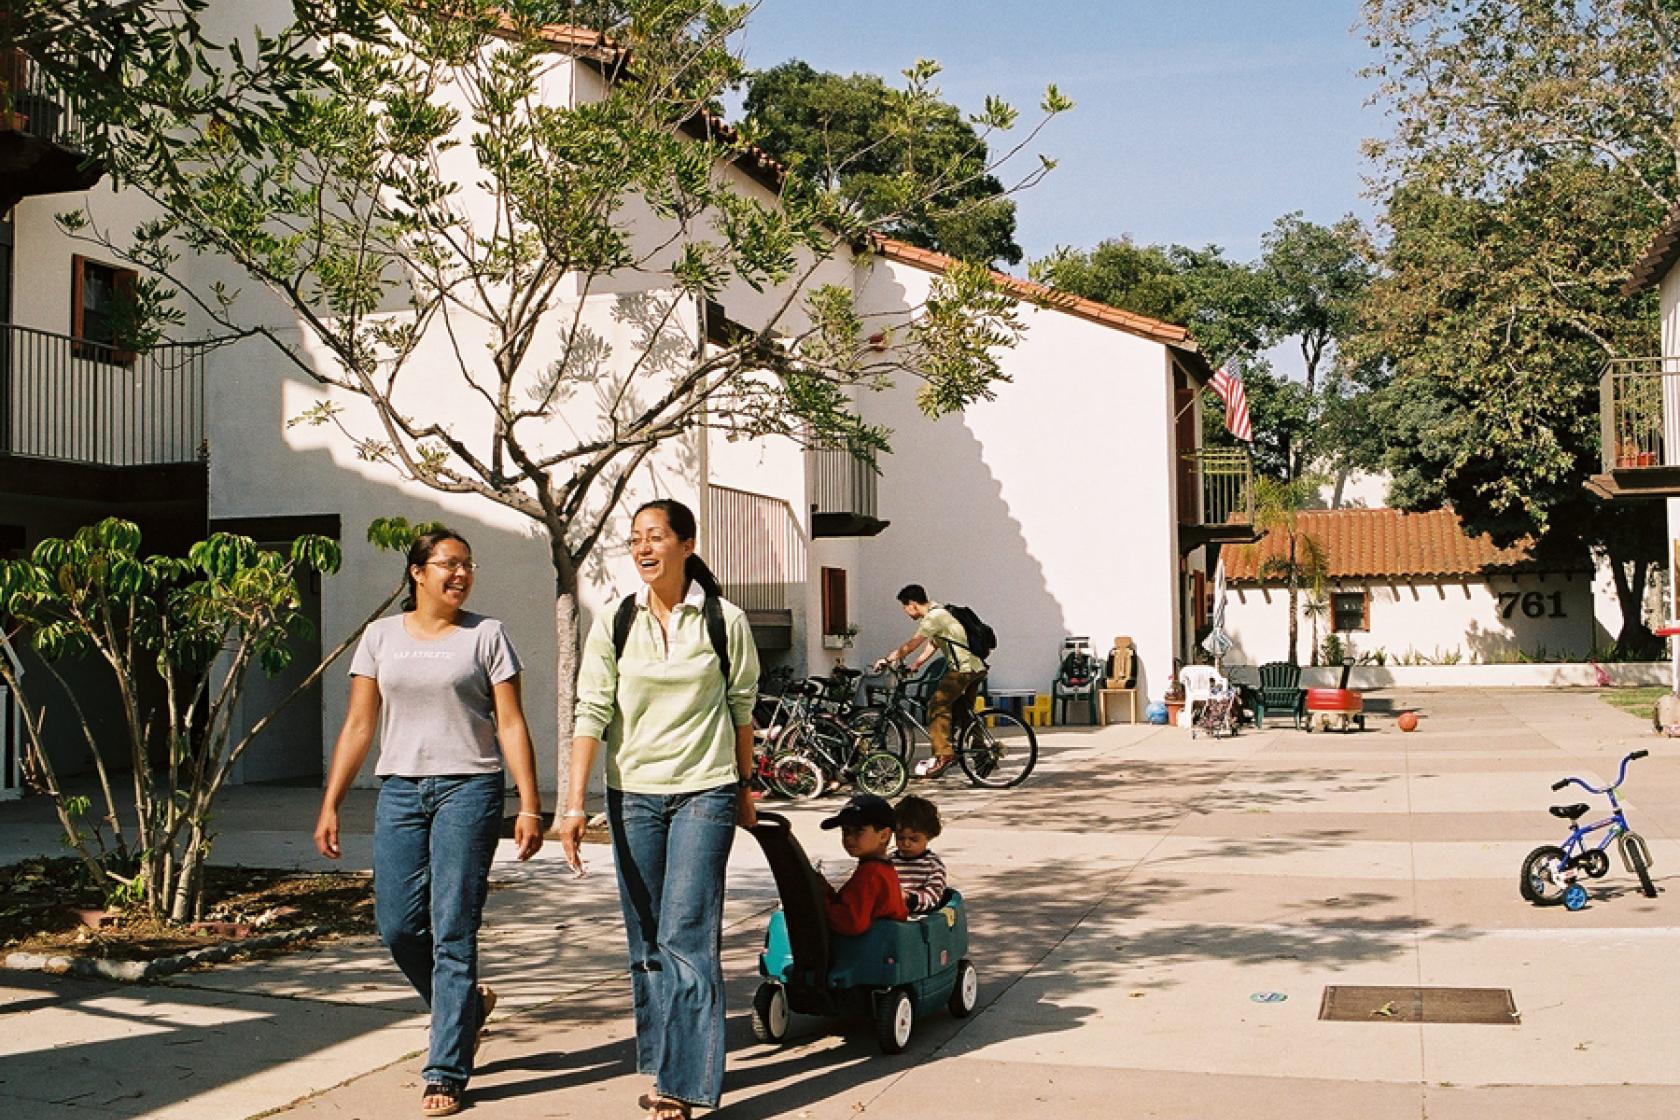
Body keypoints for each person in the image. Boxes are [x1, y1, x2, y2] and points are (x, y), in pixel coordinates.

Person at [313, 528, 543, 1120]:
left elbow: (511, 724)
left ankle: (445, 1067)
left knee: (453, 927)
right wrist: (332, 800)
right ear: (418, 572)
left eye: (468, 564)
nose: (461, 574)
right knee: (396, 925)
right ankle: (465, 1006)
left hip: (470, 788)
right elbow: (361, 724)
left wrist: (529, 802)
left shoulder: (487, 635)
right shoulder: (380, 637)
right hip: (400, 791)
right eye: (448, 564)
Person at [558, 498, 760, 1120]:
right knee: (646, 939)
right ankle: (664, 1052)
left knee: (686, 934)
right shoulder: (615, 621)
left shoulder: (725, 620)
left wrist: (746, 787)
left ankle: (680, 1083)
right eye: (635, 538)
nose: (643, 547)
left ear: (687, 544)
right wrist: (572, 805)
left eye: (656, 536)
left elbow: (741, 709)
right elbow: (590, 712)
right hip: (633, 794)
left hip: (706, 788)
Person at [874, 584, 987, 779]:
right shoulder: (940, 612)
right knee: (963, 712)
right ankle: (983, 755)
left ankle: (944, 755)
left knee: (936, 705)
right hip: (976, 668)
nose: (905, 612)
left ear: (912, 604)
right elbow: (935, 643)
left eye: (905, 607)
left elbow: (912, 644)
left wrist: (888, 659)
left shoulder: (933, 618)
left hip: (962, 669)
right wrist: (917, 664)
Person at [820, 793, 909, 935]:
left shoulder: (870, 874)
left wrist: (821, 900)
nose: (849, 838)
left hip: (873, 951)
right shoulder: (881, 868)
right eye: (845, 831)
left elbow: (851, 923)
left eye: (858, 831)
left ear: (883, 835)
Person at [891, 795, 949, 915]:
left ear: (929, 836)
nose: (906, 843)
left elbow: (934, 896)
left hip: (919, 921)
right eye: (900, 838)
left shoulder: (932, 865)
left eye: (914, 839)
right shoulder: (888, 862)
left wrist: (909, 899)